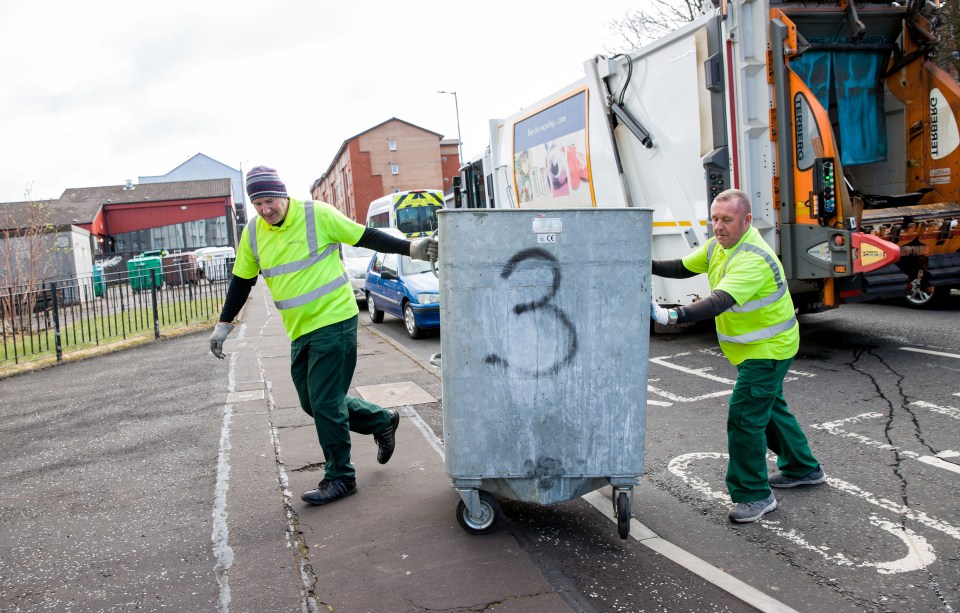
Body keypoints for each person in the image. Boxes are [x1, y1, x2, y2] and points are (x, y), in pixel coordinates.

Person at [209, 166, 437, 507]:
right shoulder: (254, 232)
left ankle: (341, 477)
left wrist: (412, 249)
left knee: (327, 401)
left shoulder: (317, 215)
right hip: (300, 330)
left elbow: (365, 236)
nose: (264, 210)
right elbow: (242, 280)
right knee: (310, 402)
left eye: (269, 201)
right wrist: (224, 324)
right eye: (257, 204)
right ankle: (381, 420)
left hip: (335, 320)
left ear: (283, 195)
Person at [650, 188, 825, 523]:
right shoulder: (719, 246)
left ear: (746, 220)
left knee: (745, 417)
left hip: (768, 349)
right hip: (757, 347)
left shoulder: (752, 259)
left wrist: (673, 316)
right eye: (714, 219)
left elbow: (718, 300)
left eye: (726, 220)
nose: (718, 226)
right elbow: (683, 267)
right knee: (770, 408)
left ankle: (754, 494)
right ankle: (803, 468)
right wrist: (643, 263)